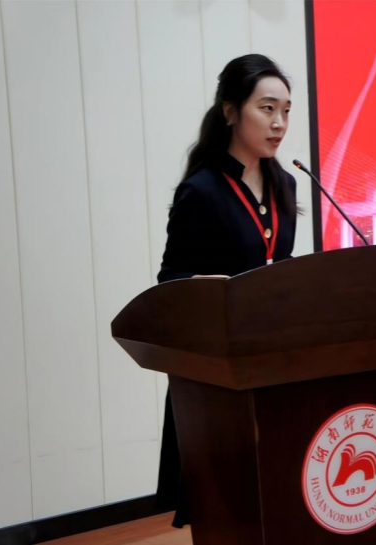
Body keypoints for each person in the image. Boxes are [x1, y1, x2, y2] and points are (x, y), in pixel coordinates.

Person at [154, 54, 299, 528]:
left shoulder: (284, 182)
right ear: (231, 111)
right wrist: (208, 287)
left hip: (274, 360)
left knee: (280, 498)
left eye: (286, 111)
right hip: (219, 369)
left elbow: (279, 265)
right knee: (229, 508)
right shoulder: (201, 191)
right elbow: (170, 279)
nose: (279, 123)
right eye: (267, 108)